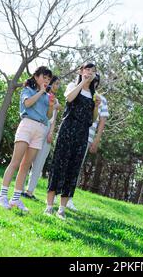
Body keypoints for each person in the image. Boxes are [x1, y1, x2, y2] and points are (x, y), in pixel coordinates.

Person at [44, 62, 101, 220]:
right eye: (87, 69)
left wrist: (96, 107)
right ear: (81, 71)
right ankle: (49, 206)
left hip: (82, 134)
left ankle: (61, 209)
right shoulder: (72, 85)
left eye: (93, 71)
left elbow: (93, 119)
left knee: (73, 169)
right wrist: (82, 82)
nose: (90, 72)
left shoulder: (94, 93)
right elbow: (69, 98)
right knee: (58, 165)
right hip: (67, 130)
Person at [0, 66, 54, 212]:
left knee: (26, 165)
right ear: (36, 76)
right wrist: (41, 91)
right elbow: (27, 104)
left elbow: (47, 116)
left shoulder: (47, 96)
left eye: (48, 79)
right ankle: (2, 196)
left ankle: (15, 199)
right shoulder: (28, 89)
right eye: (44, 77)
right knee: (15, 162)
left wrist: (51, 106)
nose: (46, 81)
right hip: (27, 126)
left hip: (40, 129)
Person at [66, 73, 109, 211]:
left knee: (75, 167)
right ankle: (56, 193)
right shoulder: (79, 91)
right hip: (70, 132)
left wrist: (97, 139)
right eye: (92, 79)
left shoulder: (101, 99)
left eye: (96, 81)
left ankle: (69, 198)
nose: (93, 82)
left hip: (87, 137)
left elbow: (102, 121)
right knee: (64, 162)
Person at [21, 76, 62, 200]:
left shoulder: (56, 100)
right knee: (27, 160)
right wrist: (53, 106)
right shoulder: (41, 95)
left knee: (39, 164)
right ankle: (20, 188)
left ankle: (30, 191)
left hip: (47, 132)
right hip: (37, 127)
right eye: (55, 83)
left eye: (58, 84)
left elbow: (53, 119)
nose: (57, 86)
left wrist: (51, 133)